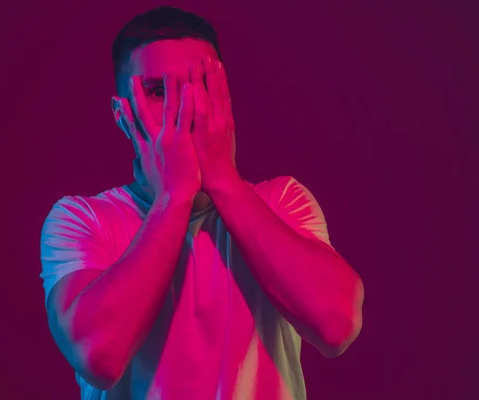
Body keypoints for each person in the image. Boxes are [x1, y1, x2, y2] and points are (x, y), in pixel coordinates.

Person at [40, 6, 364, 399]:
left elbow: (337, 326)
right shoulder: (82, 220)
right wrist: (173, 197)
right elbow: (98, 356)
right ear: (122, 115)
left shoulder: (282, 200)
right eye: (158, 91)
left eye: (198, 86)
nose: (182, 109)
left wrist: (223, 181)